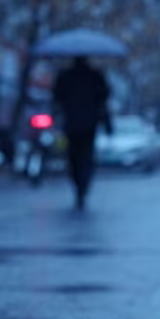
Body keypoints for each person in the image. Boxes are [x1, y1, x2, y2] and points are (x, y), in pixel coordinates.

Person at [54, 56, 112, 209]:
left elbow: (56, 96)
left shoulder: (66, 76)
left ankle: (79, 185)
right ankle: (82, 186)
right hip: (88, 124)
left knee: (73, 156)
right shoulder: (95, 76)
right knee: (85, 156)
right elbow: (104, 98)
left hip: (72, 123)